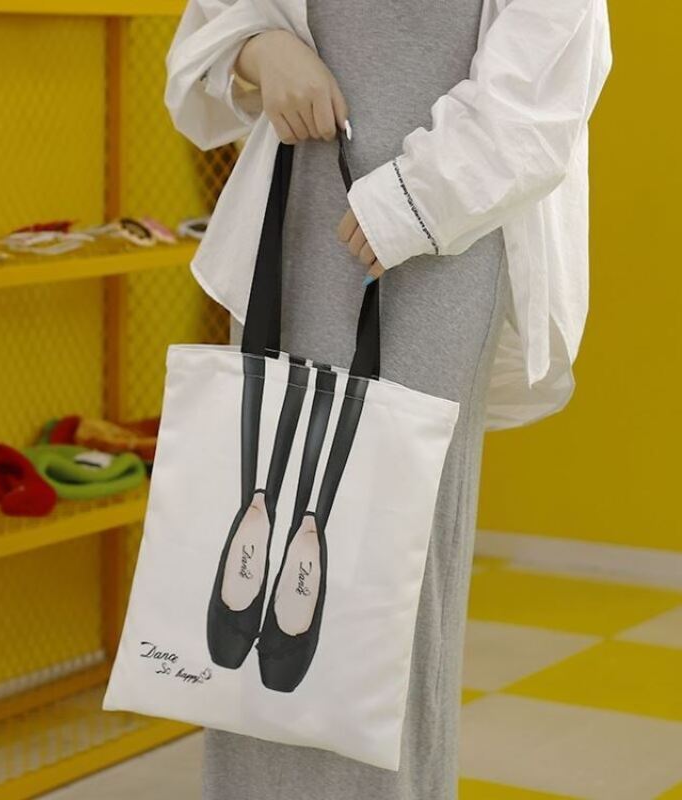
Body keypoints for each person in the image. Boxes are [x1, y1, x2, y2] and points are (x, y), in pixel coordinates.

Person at [164, 1, 612, 797]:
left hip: (442, 242)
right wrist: (261, 50)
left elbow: (547, 81)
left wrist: (408, 201)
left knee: (387, 587)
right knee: (257, 543)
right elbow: (210, 28)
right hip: (293, 226)